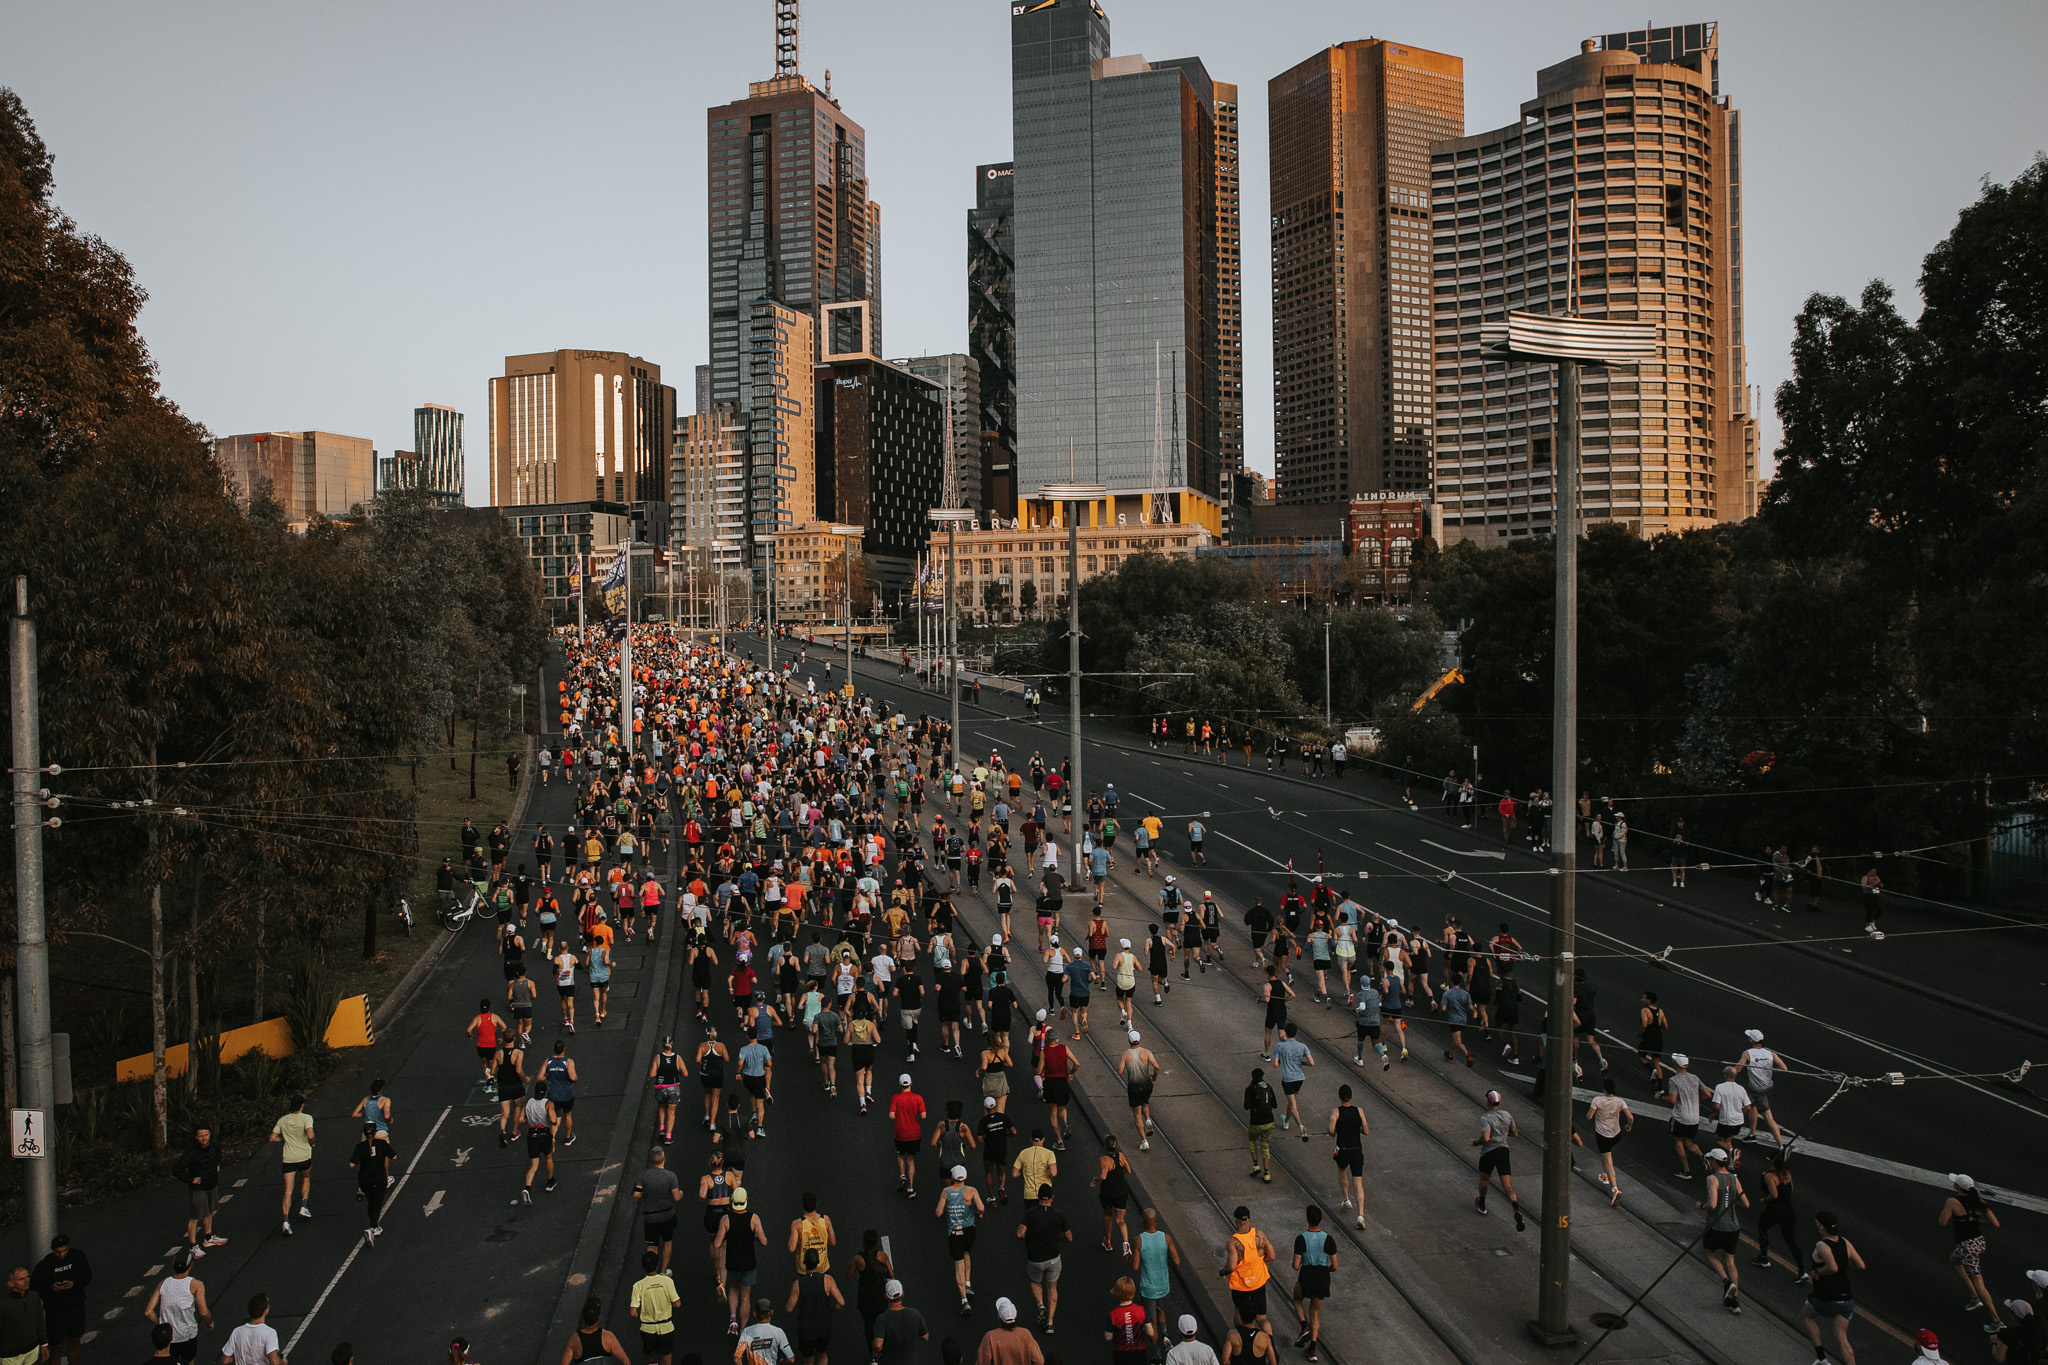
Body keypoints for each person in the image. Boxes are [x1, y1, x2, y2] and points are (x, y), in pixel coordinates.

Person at [1939, 1174, 2003, 1328]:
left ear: (1958, 1187)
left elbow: (1942, 1222)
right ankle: (1974, 1295)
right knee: (1954, 1259)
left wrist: (1948, 1213)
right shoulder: (1980, 1202)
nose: (1954, 1183)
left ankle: (1996, 1321)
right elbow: (1995, 1224)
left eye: (1955, 1182)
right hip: (1978, 1242)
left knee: (1979, 1282)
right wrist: (1976, 1220)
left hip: (1967, 1246)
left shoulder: (1952, 1202)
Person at [1803, 1211, 1865, 1365]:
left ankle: (1821, 1358)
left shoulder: (1821, 1245)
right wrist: (1845, 1263)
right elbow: (1861, 1265)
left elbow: (1833, 1267)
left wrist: (1817, 1271)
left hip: (1824, 1298)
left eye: (1817, 1224)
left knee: (1807, 1316)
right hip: (1846, 1300)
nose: (1817, 1226)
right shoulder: (1846, 1243)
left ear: (1823, 1228)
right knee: (1842, 1337)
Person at [1698, 1148, 1749, 1314]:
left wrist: (1701, 1206)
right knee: (1730, 1260)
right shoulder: (1734, 1178)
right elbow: (1746, 1203)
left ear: (1713, 1161)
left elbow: (1712, 1204)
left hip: (1716, 1225)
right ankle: (1734, 1301)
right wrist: (1730, 1203)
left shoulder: (1712, 1178)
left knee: (1709, 1252)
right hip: (1733, 1227)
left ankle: (1726, 1282)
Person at [1017, 1185, 1071, 1332]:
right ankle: (1050, 1323)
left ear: (1038, 1198)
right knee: (1052, 1287)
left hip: (1035, 1258)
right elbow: (1069, 1237)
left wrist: (1031, 1236)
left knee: (1036, 1282)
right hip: (1053, 1257)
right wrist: (1057, 1237)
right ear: (1052, 1198)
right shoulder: (1059, 1214)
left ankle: (1040, 1304)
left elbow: (1020, 1233)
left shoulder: (1030, 1213)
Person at [714, 1189, 769, 1333]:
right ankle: (743, 1329)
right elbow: (764, 1241)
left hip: (732, 1262)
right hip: (749, 1263)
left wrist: (727, 1235)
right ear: (746, 1200)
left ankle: (733, 1320)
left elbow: (717, 1244)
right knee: (745, 1297)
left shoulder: (726, 1219)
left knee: (733, 1290)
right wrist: (753, 1237)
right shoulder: (753, 1218)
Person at [1470, 1089, 1525, 1232]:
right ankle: (1515, 1207)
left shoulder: (1485, 1118)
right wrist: (1503, 1135)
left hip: (1489, 1153)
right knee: (1508, 1186)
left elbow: (1486, 1138)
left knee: (1484, 1180)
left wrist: (1477, 1142)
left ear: (1488, 1102)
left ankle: (1481, 1204)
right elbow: (1515, 1133)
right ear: (1499, 1102)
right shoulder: (1507, 1115)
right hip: (1503, 1152)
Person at [934, 1165, 986, 1316]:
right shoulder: (971, 1191)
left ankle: (964, 1300)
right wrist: (977, 1213)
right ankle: (968, 1283)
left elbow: (938, 1213)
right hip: (970, 1231)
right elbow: (981, 1208)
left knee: (958, 1265)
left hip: (954, 1231)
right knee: (966, 1253)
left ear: (952, 1178)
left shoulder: (946, 1192)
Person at [29, 1237, 88, 1365]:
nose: (61, 1254)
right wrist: (50, 1289)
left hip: (76, 1308)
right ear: (52, 1250)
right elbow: (33, 1288)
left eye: (64, 1250)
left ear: (68, 1247)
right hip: (55, 1312)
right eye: (58, 1251)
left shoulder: (77, 1256)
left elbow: (87, 1276)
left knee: (74, 1341)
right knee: (57, 1346)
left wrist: (74, 1284)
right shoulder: (44, 1265)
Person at [144, 1253, 211, 1365]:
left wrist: (162, 1326)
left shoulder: (163, 1283)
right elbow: (204, 1312)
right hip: (188, 1336)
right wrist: (210, 1323)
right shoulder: (196, 1285)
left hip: (170, 1338)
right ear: (190, 1266)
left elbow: (148, 1312)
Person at [1289, 1207, 1337, 1362]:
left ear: (1307, 1219)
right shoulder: (1328, 1239)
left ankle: (1303, 1327)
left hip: (1306, 1276)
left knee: (1297, 1298)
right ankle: (1312, 1349)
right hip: (1322, 1277)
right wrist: (1326, 1269)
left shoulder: (1301, 1238)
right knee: (1315, 1313)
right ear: (1320, 1219)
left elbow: (1296, 1266)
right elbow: (1335, 1266)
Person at [172, 1128, 227, 1260]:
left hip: (211, 1184)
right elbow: (177, 1169)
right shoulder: (191, 1152)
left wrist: (218, 1164)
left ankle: (208, 1237)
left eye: (207, 1135)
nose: (204, 1138)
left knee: (209, 1211)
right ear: (196, 1137)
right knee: (195, 1217)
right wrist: (192, 1179)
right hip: (198, 1189)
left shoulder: (213, 1145)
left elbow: (219, 1153)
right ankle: (193, 1245)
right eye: (201, 1136)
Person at [1219, 1207, 1276, 1334]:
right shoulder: (1260, 1235)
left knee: (1239, 1311)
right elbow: (1272, 1255)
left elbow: (1232, 1266)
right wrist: (1259, 1260)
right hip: (1258, 1282)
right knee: (1262, 1318)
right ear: (1250, 1219)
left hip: (1241, 1285)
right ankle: (1270, 1342)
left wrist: (1223, 1272)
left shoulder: (1233, 1242)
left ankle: (1243, 1337)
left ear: (1235, 1220)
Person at [785, 1248, 843, 1365]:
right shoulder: (828, 1280)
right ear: (818, 1262)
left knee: (808, 1359)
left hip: (806, 1329)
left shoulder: (798, 1284)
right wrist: (832, 1308)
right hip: (823, 1326)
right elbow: (841, 1302)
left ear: (804, 1263)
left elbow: (789, 1308)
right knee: (822, 1354)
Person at [269, 1096, 315, 1235]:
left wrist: (284, 1140)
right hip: (304, 1156)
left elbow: (272, 1138)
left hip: (288, 1158)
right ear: (302, 1106)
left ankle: (286, 1221)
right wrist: (311, 1142)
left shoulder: (283, 1120)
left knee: (288, 1189)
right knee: (306, 1178)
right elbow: (310, 1134)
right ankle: (304, 1206)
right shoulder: (306, 1118)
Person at [633, 1148, 684, 1275]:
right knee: (667, 1242)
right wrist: (681, 1193)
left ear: (651, 1161)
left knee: (652, 1246)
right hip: (667, 1216)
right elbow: (677, 1197)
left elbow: (636, 1194)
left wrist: (646, 1194)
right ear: (664, 1159)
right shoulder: (671, 1176)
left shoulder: (643, 1175)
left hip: (650, 1218)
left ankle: (652, 1272)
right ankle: (663, 1271)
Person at [1326, 1086, 1371, 1227]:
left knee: (1341, 1170)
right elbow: (1366, 1131)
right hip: (1357, 1150)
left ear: (1339, 1097)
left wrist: (1336, 1132)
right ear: (1351, 1097)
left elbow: (1331, 1130)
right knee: (1358, 1183)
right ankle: (1360, 1215)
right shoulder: (1359, 1111)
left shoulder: (1336, 1112)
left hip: (1343, 1150)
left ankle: (1346, 1199)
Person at [1752, 1152, 1802, 1278]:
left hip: (1774, 1210)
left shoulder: (1769, 1176)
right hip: (1788, 1210)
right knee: (1790, 1240)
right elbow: (1791, 1189)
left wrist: (1765, 1200)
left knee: (1762, 1228)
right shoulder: (1786, 1174)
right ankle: (1802, 1270)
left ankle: (1763, 1257)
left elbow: (1774, 1195)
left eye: (1769, 1159)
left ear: (1773, 1162)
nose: (1767, 1161)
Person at [628, 1250, 683, 1365]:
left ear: (643, 1266)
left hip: (647, 1330)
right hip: (666, 1328)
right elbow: (677, 1304)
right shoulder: (667, 1281)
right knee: (667, 1359)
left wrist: (642, 1315)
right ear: (657, 1264)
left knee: (652, 1358)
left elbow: (632, 1312)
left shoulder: (638, 1286)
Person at [1587, 1078, 1633, 1207]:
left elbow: (1590, 1116)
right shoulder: (1620, 1101)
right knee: (1605, 1155)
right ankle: (1604, 1175)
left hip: (1603, 1135)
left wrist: (1591, 1114)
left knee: (1608, 1159)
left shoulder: (1597, 1100)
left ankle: (1615, 1189)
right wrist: (1629, 1126)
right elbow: (1630, 1117)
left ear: (1604, 1089)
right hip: (1616, 1134)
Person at [347, 1123, 395, 1245]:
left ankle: (374, 1225)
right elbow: (393, 1156)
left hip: (365, 1180)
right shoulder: (382, 1144)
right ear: (375, 1132)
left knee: (371, 1201)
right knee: (377, 1204)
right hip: (379, 1179)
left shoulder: (360, 1147)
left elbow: (352, 1163)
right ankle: (372, 1228)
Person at [1738, 1028, 1788, 1146]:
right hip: (1767, 1086)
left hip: (1757, 1090)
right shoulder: (1770, 1053)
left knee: (1768, 1118)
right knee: (1751, 1107)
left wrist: (1729, 1071)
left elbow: (1737, 1069)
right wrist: (1769, 1070)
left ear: (1751, 1040)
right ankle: (1752, 1135)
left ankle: (1781, 1147)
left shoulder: (1747, 1053)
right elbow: (1784, 1068)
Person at [1662, 1053, 1705, 1181]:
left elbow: (1673, 1099)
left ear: (1676, 1064)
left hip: (1681, 1117)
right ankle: (1703, 1156)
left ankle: (1686, 1170)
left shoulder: (1674, 1080)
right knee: (1689, 1142)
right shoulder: (1695, 1078)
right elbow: (1707, 1093)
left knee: (1679, 1141)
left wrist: (1661, 1097)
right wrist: (1697, 1101)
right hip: (1694, 1118)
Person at [851, 1230, 895, 1354]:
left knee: (868, 1325)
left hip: (865, 1297)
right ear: (876, 1243)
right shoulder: (882, 1256)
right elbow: (891, 1274)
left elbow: (848, 1276)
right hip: (880, 1296)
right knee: (882, 1322)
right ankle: (884, 1348)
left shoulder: (858, 1259)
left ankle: (873, 1355)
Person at [517, 1079, 559, 1204]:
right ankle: (550, 1181)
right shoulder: (548, 1103)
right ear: (545, 1092)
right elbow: (553, 1120)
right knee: (548, 1157)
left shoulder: (528, 1102)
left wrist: (531, 1120)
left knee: (533, 1165)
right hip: (544, 1133)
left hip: (531, 1134)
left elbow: (520, 1119)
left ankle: (527, 1188)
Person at [1092, 1136, 1135, 1256]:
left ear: (1105, 1147)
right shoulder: (1121, 1156)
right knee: (1121, 1220)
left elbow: (1103, 1176)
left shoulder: (1104, 1159)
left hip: (1108, 1192)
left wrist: (1094, 1179)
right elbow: (1129, 1170)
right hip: (1121, 1192)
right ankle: (1126, 1243)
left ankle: (1108, 1242)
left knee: (1108, 1215)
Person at [1117, 1031, 1160, 1151]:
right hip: (1147, 1085)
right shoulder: (1146, 1052)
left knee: (1137, 1115)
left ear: (1129, 1041)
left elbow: (1119, 1072)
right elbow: (1157, 1066)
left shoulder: (1125, 1055)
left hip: (1134, 1087)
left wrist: (1124, 1065)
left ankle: (1144, 1141)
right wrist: (1154, 1076)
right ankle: (1148, 1119)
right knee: (1145, 1102)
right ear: (1139, 1040)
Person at [559, 1297, 630, 1365]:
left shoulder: (574, 1340)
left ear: (584, 1317)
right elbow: (626, 1362)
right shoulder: (608, 1337)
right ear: (598, 1317)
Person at [1271, 1024, 1313, 1138]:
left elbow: (1275, 1065)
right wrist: (1302, 1062)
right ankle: (1286, 1121)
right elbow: (1312, 1063)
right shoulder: (1302, 1046)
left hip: (1288, 1079)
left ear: (1285, 1033)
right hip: (1299, 1078)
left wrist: (1281, 1061)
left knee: (1293, 1104)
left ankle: (1300, 1126)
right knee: (1291, 1100)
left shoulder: (1280, 1046)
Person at [872, 1281, 927, 1365]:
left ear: (886, 1296)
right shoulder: (915, 1314)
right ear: (902, 1294)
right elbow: (925, 1336)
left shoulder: (882, 1319)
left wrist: (876, 1353)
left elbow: (878, 1345)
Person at [889, 1075, 927, 1197]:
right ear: (911, 1083)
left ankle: (902, 1175)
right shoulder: (918, 1098)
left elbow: (891, 1115)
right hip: (915, 1134)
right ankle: (910, 1189)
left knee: (900, 1155)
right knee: (911, 1160)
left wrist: (898, 1115)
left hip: (900, 1133)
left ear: (900, 1085)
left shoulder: (896, 1098)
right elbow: (923, 1116)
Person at [219, 1294, 284, 1365]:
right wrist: (282, 1362)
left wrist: (239, 1353)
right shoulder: (269, 1333)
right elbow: (274, 1363)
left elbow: (225, 1360)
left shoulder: (237, 1332)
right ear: (265, 1311)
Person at [974, 1299, 1041, 1365]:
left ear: (999, 1317)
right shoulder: (1025, 1334)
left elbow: (982, 1362)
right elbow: (1039, 1361)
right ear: (1015, 1316)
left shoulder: (990, 1337)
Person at [1105, 1276, 1153, 1365]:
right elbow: (1150, 1333)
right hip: (1139, 1351)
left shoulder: (1113, 1314)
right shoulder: (1142, 1310)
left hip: (1121, 1353)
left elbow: (1108, 1337)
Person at [788, 1192, 837, 1278]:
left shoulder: (797, 1224)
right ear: (816, 1204)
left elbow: (792, 1248)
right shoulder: (826, 1220)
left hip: (804, 1269)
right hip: (822, 1267)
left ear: (802, 1204)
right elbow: (832, 1242)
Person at [1243, 1069, 1278, 1184]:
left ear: (1252, 1077)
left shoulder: (1250, 1089)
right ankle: (1267, 1173)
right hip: (1269, 1122)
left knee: (1252, 1141)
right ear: (1262, 1077)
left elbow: (1246, 1106)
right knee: (1265, 1146)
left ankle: (1255, 1165)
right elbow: (1275, 1105)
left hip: (1255, 1122)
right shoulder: (1268, 1087)